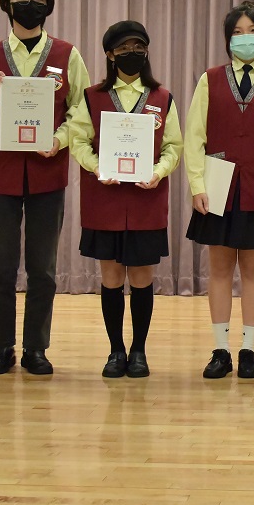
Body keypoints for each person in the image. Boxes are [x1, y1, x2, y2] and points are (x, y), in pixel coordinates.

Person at [0, 0, 91, 376]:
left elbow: (83, 110)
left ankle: (36, 346)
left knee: (43, 269)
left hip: (47, 171)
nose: (29, 3)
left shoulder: (67, 55)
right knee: (0, 267)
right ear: (7, 4)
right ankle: (1, 345)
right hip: (0, 172)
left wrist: (60, 139)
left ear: (47, 6)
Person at [184, 1, 254, 380]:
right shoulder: (209, 79)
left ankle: (249, 350)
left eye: (252, 31)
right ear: (227, 39)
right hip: (216, 185)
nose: (245, 38)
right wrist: (197, 184)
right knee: (218, 267)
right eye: (237, 32)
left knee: (253, 267)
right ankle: (220, 350)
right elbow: (194, 136)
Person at [69, 20, 181, 378]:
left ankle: (139, 351)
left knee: (143, 276)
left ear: (146, 52)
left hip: (147, 200)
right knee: (112, 276)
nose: (132, 53)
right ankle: (116, 350)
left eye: (138, 47)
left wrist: (158, 172)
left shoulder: (162, 97)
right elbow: (77, 141)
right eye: (124, 48)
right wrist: (98, 167)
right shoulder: (92, 96)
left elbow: (173, 147)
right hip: (105, 199)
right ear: (110, 54)